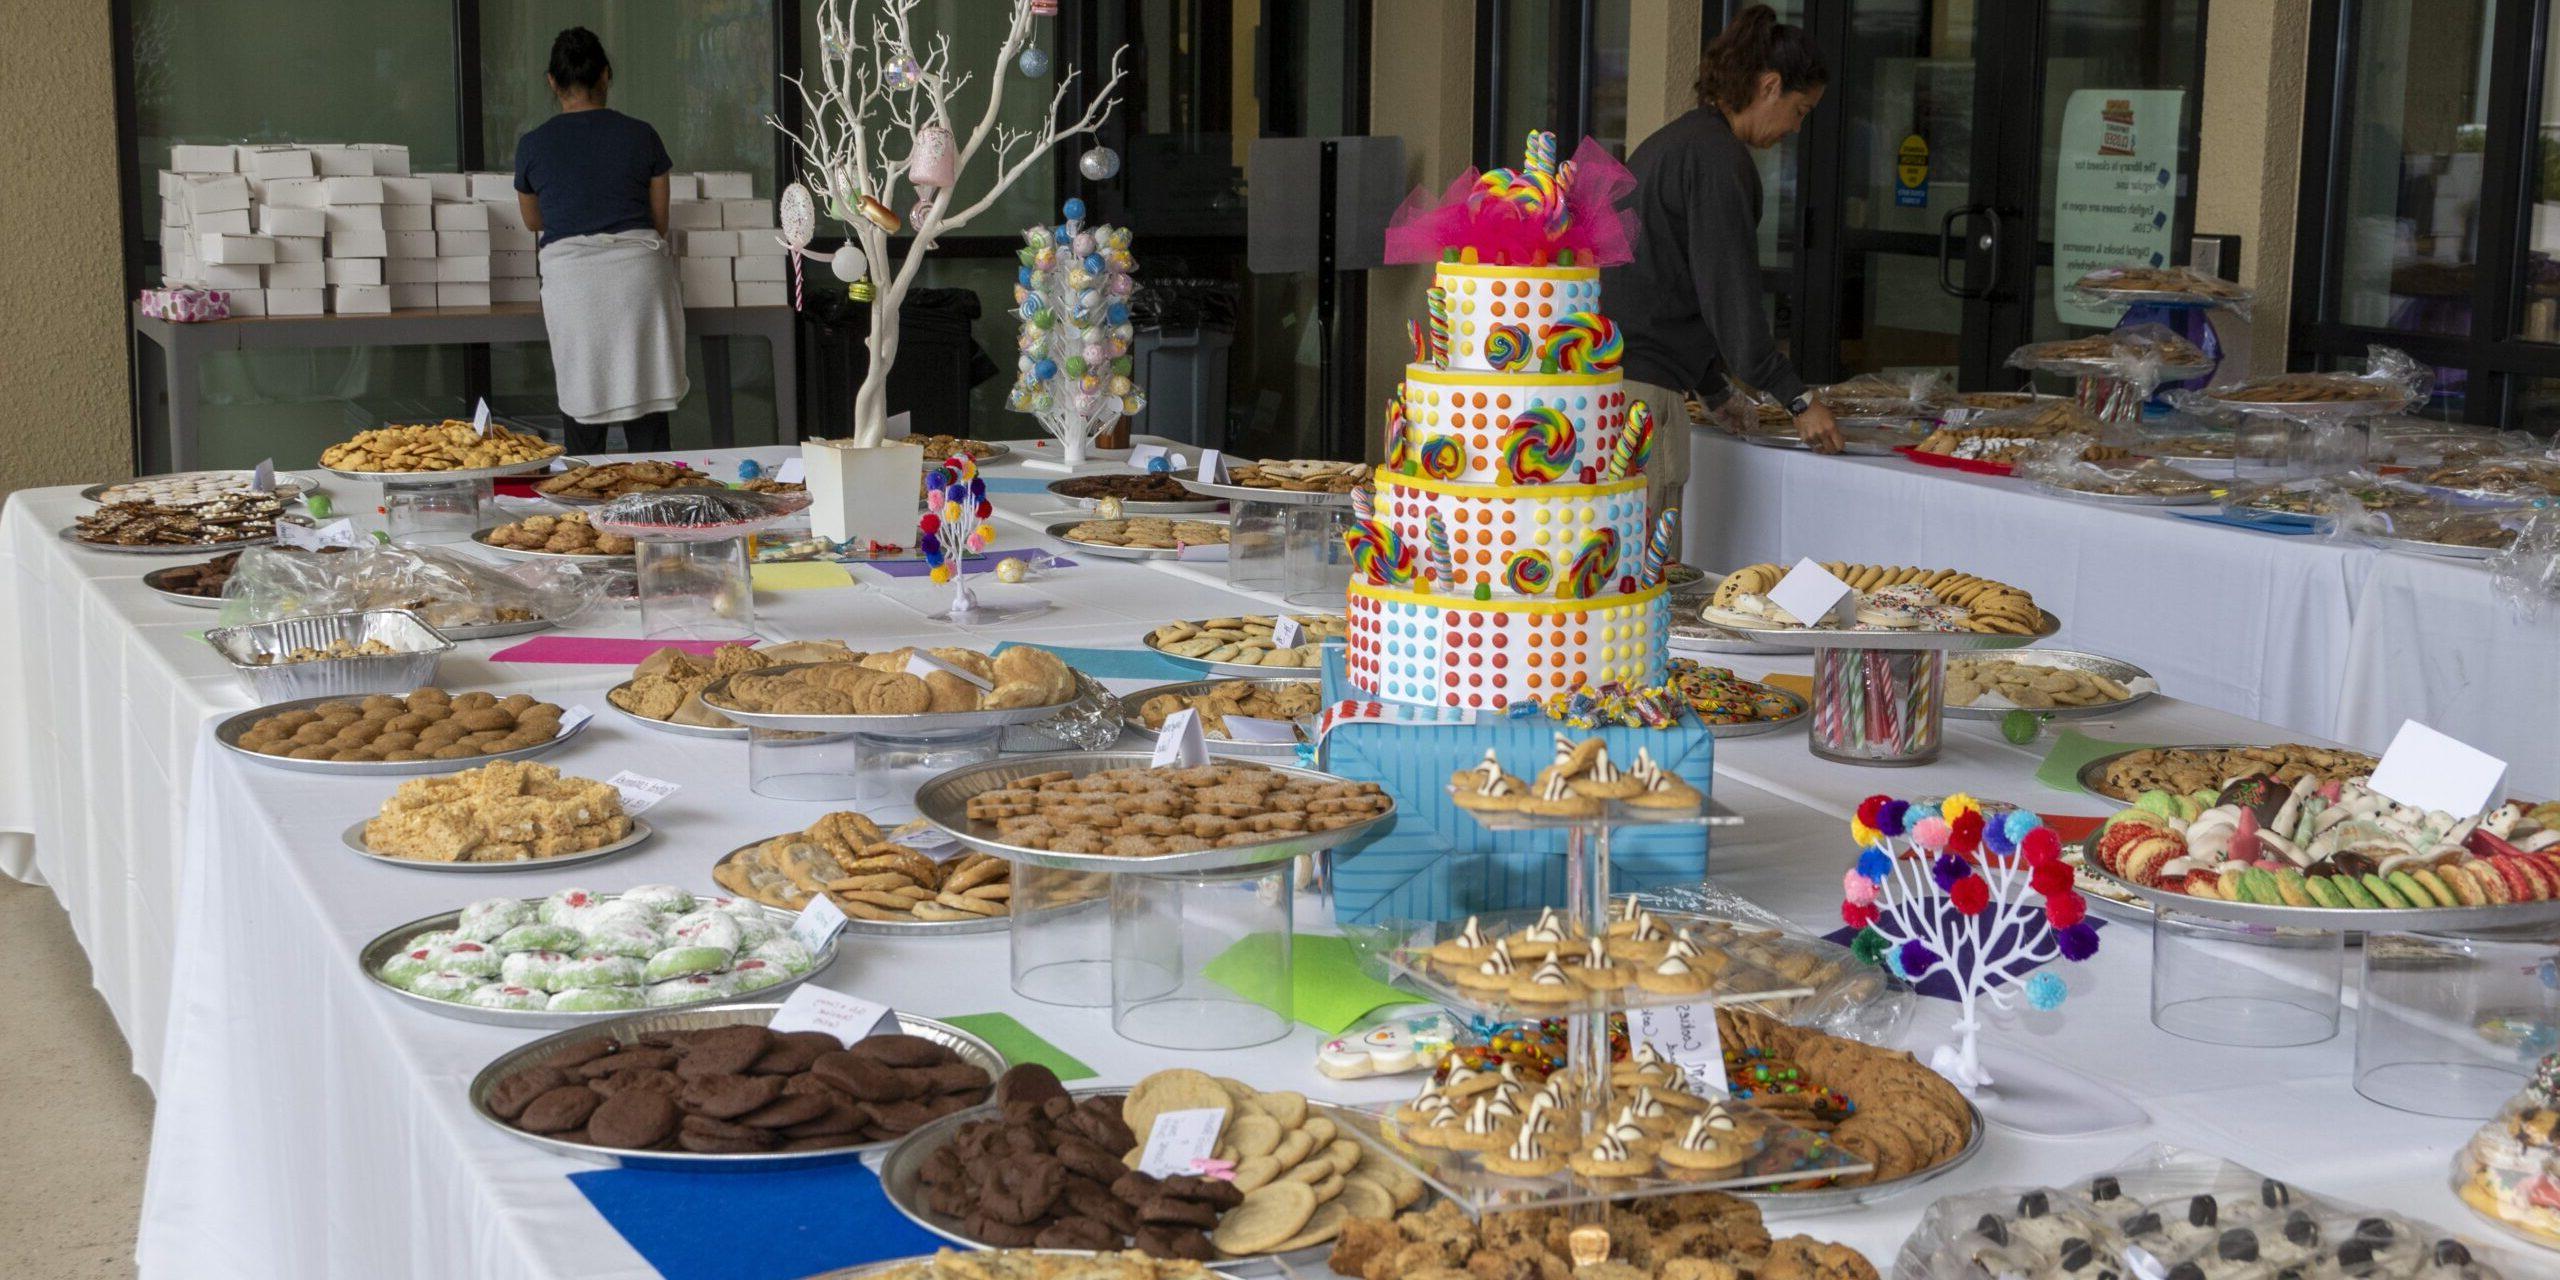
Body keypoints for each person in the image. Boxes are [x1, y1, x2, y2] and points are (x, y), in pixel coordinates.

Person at [1604, 3, 1835, 518]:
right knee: (1649, 570)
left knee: (1619, 565)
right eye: (1800, 111)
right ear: (1770, 85)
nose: (1796, 129)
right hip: (1645, 389)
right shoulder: (1717, 160)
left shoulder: (1683, 140)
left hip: (1613, 378)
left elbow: (1673, 282)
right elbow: (1728, 294)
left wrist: (1713, 388)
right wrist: (1797, 398)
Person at [514, 27, 688, 455]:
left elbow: (532, 220)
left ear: (552, 81)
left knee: (582, 399)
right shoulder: (642, 135)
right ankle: (655, 509)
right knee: (645, 402)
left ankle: (583, 506)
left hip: (574, 285)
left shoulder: (533, 144)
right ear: (606, 75)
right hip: (638, 279)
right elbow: (659, 222)